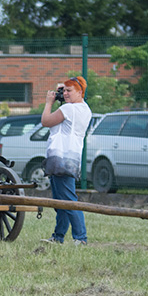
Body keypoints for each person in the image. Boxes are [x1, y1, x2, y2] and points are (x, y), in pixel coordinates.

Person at [40, 76, 92, 246]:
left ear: (80, 92)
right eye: (64, 91)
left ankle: (80, 238)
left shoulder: (69, 109)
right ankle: (58, 236)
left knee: (68, 200)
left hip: (61, 157)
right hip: (69, 157)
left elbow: (45, 121)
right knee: (60, 201)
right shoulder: (85, 109)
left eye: (70, 90)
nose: (66, 94)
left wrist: (49, 102)